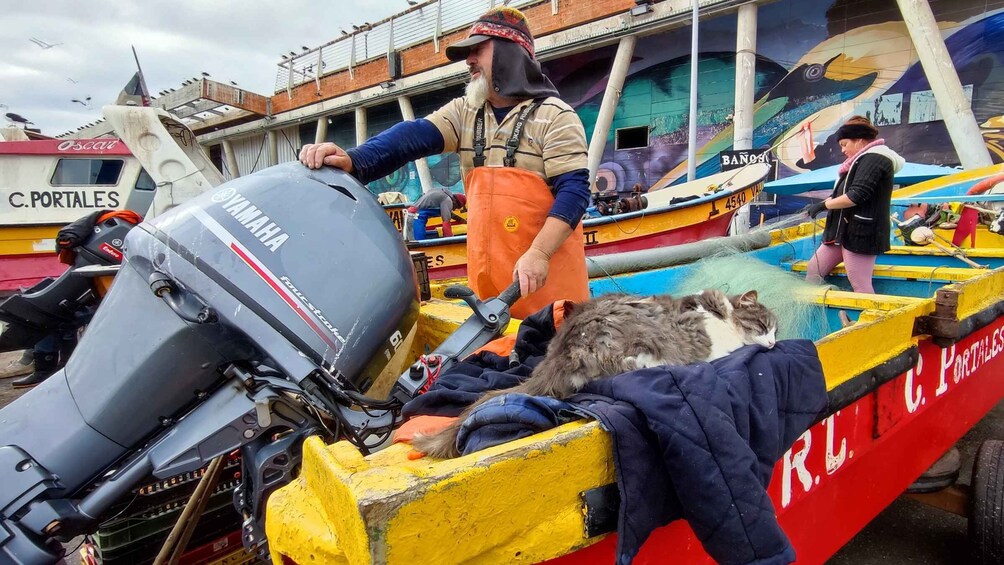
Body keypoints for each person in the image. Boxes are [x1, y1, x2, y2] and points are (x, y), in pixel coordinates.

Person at [300, 6, 591, 319]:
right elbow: (410, 138)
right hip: (490, 298)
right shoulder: (467, 112)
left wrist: (539, 253)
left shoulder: (555, 116)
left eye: (478, 50)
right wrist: (353, 160)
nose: (469, 61)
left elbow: (574, 192)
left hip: (550, 296)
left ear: (511, 53)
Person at [803, 116, 905, 293]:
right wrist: (824, 203)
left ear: (859, 141)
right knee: (814, 270)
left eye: (844, 144)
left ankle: (872, 318)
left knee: (860, 282)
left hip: (861, 233)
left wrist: (824, 206)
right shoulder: (857, 161)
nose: (842, 150)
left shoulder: (875, 158)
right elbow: (846, 193)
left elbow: (856, 195)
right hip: (840, 233)